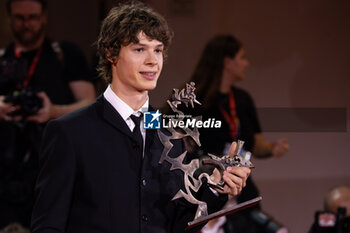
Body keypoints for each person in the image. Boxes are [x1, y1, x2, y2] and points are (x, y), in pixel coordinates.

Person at [31, 3, 251, 233]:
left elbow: (176, 225)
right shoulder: (70, 132)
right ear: (110, 53)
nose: (153, 61)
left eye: (157, 50)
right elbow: (48, 225)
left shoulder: (169, 134)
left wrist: (216, 186)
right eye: (139, 49)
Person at [0, 0, 95, 228]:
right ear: (10, 19)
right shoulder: (3, 59)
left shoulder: (65, 55)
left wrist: (53, 111)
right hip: (6, 176)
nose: (26, 24)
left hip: (53, 171)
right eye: (19, 18)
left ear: (44, 17)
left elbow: (91, 104)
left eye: (32, 17)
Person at [185, 35, 289, 232]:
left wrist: (272, 148)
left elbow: (257, 144)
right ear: (227, 62)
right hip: (207, 188)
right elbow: (162, 127)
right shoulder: (193, 99)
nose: (246, 63)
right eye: (241, 57)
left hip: (241, 189)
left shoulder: (242, 100)